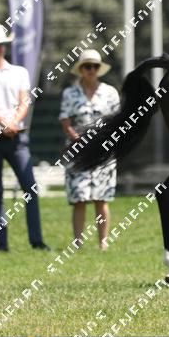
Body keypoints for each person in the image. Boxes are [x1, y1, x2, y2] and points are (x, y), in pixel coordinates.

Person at [0, 23, 49, 252]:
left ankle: (36, 240)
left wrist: (13, 122)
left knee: (30, 188)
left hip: (17, 137)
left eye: (3, 44)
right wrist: (2, 121)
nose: (1, 48)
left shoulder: (20, 72)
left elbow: (24, 103)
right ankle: (1, 244)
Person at [58, 49, 120, 250]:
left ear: (99, 69)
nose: (91, 70)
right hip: (78, 151)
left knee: (101, 198)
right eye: (87, 66)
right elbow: (66, 120)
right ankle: (78, 242)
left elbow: (116, 121)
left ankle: (103, 242)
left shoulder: (110, 92)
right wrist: (77, 138)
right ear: (81, 69)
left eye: (94, 66)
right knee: (79, 198)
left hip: (103, 151)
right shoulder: (70, 93)